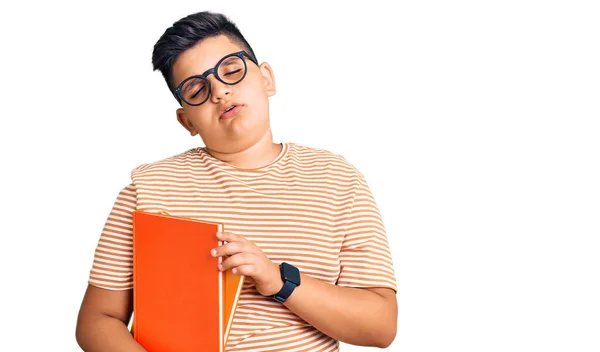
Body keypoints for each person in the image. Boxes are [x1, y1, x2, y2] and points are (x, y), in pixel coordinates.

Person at [76, 11, 397, 352]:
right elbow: (97, 320)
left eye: (231, 71)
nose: (220, 92)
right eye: (198, 89)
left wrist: (278, 280)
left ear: (267, 79)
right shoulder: (148, 188)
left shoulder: (338, 179)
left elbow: (380, 327)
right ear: (187, 121)